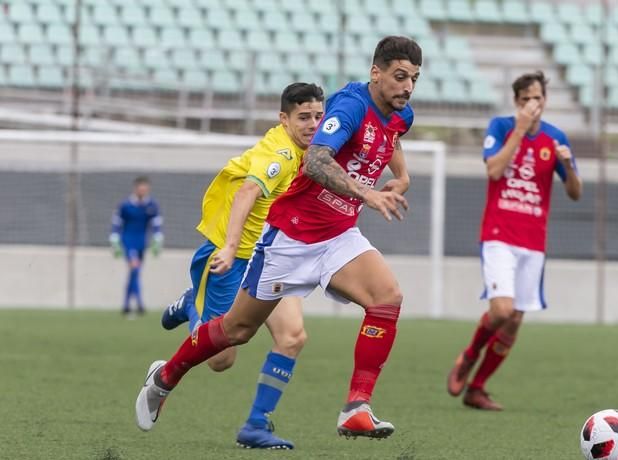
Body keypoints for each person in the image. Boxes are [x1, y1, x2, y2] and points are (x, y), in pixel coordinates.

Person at [135, 35, 422, 441]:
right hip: (291, 237)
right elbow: (318, 159)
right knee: (235, 332)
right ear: (376, 73)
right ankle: (164, 378)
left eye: (413, 78)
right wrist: (367, 193)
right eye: (399, 76)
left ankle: (356, 407)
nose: (407, 87)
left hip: (338, 236)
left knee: (387, 299)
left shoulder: (400, 112)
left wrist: (403, 177)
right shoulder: (351, 104)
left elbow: (392, 134)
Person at [158, 82, 325, 449]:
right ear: (284, 119)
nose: (314, 123)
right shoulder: (280, 152)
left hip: (272, 259)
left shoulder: (314, 148)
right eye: (304, 117)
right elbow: (248, 192)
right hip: (233, 256)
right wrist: (231, 247)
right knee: (222, 360)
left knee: (293, 336)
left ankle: (255, 426)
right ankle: (191, 305)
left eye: (318, 115)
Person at [446, 71, 582, 410]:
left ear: (544, 100)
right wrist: (520, 130)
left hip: (533, 241)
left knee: (516, 318)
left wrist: (568, 165)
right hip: (498, 234)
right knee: (502, 310)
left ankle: (477, 387)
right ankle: (469, 354)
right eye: (524, 100)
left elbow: (576, 193)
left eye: (536, 99)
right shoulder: (501, 126)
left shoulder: (556, 138)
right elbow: (493, 170)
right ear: (516, 101)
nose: (531, 105)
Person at [110, 176, 163, 316]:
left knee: (135, 272)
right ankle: (139, 304)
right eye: (141, 188)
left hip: (141, 243)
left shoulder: (151, 205)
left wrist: (158, 239)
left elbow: (156, 224)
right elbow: (117, 223)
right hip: (128, 241)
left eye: (145, 188)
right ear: (136, 188)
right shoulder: (126, 205)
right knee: (134, 268)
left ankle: (126, 306)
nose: (143, 191)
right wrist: (114, 240)